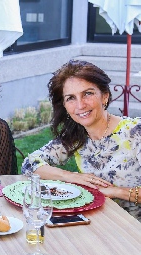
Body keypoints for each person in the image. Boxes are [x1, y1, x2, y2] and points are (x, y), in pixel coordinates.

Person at [22, 60, 141, 221]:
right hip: (99, 225)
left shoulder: (135, 133)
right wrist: (70, 176)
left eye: (88, 93)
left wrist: (116, 192)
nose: (80, 105)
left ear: (104, 96)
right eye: (71, 98)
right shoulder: (76, 137)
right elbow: (30, 163)